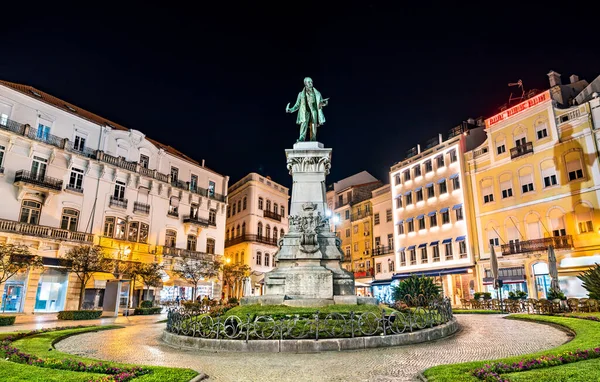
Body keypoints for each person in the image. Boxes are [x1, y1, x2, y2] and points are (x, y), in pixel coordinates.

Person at [286, 77, 329, 142]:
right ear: (305, 83)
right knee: (304, 124)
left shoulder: (317, 93)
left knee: (313, 125)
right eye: (309, 82)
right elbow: (297, 105)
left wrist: (324, 103)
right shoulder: (301, 94)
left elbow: (321, 102)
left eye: (311, 82)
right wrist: (291, 109)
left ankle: (313, 138)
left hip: (314, 110)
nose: (311, 83)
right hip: (305, 111)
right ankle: (301, 138)